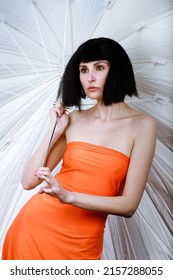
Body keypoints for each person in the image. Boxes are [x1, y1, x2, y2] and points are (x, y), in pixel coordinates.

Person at [2, 37, 157, 260]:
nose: (90, 78)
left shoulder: (143, 125)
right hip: (34, 228)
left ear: (118, 71)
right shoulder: (74, 119)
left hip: (83, 241)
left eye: (100, 68)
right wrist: (55, 130)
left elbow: (129, 205)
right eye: (83, 70)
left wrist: (68, 196)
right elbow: (28, 181)